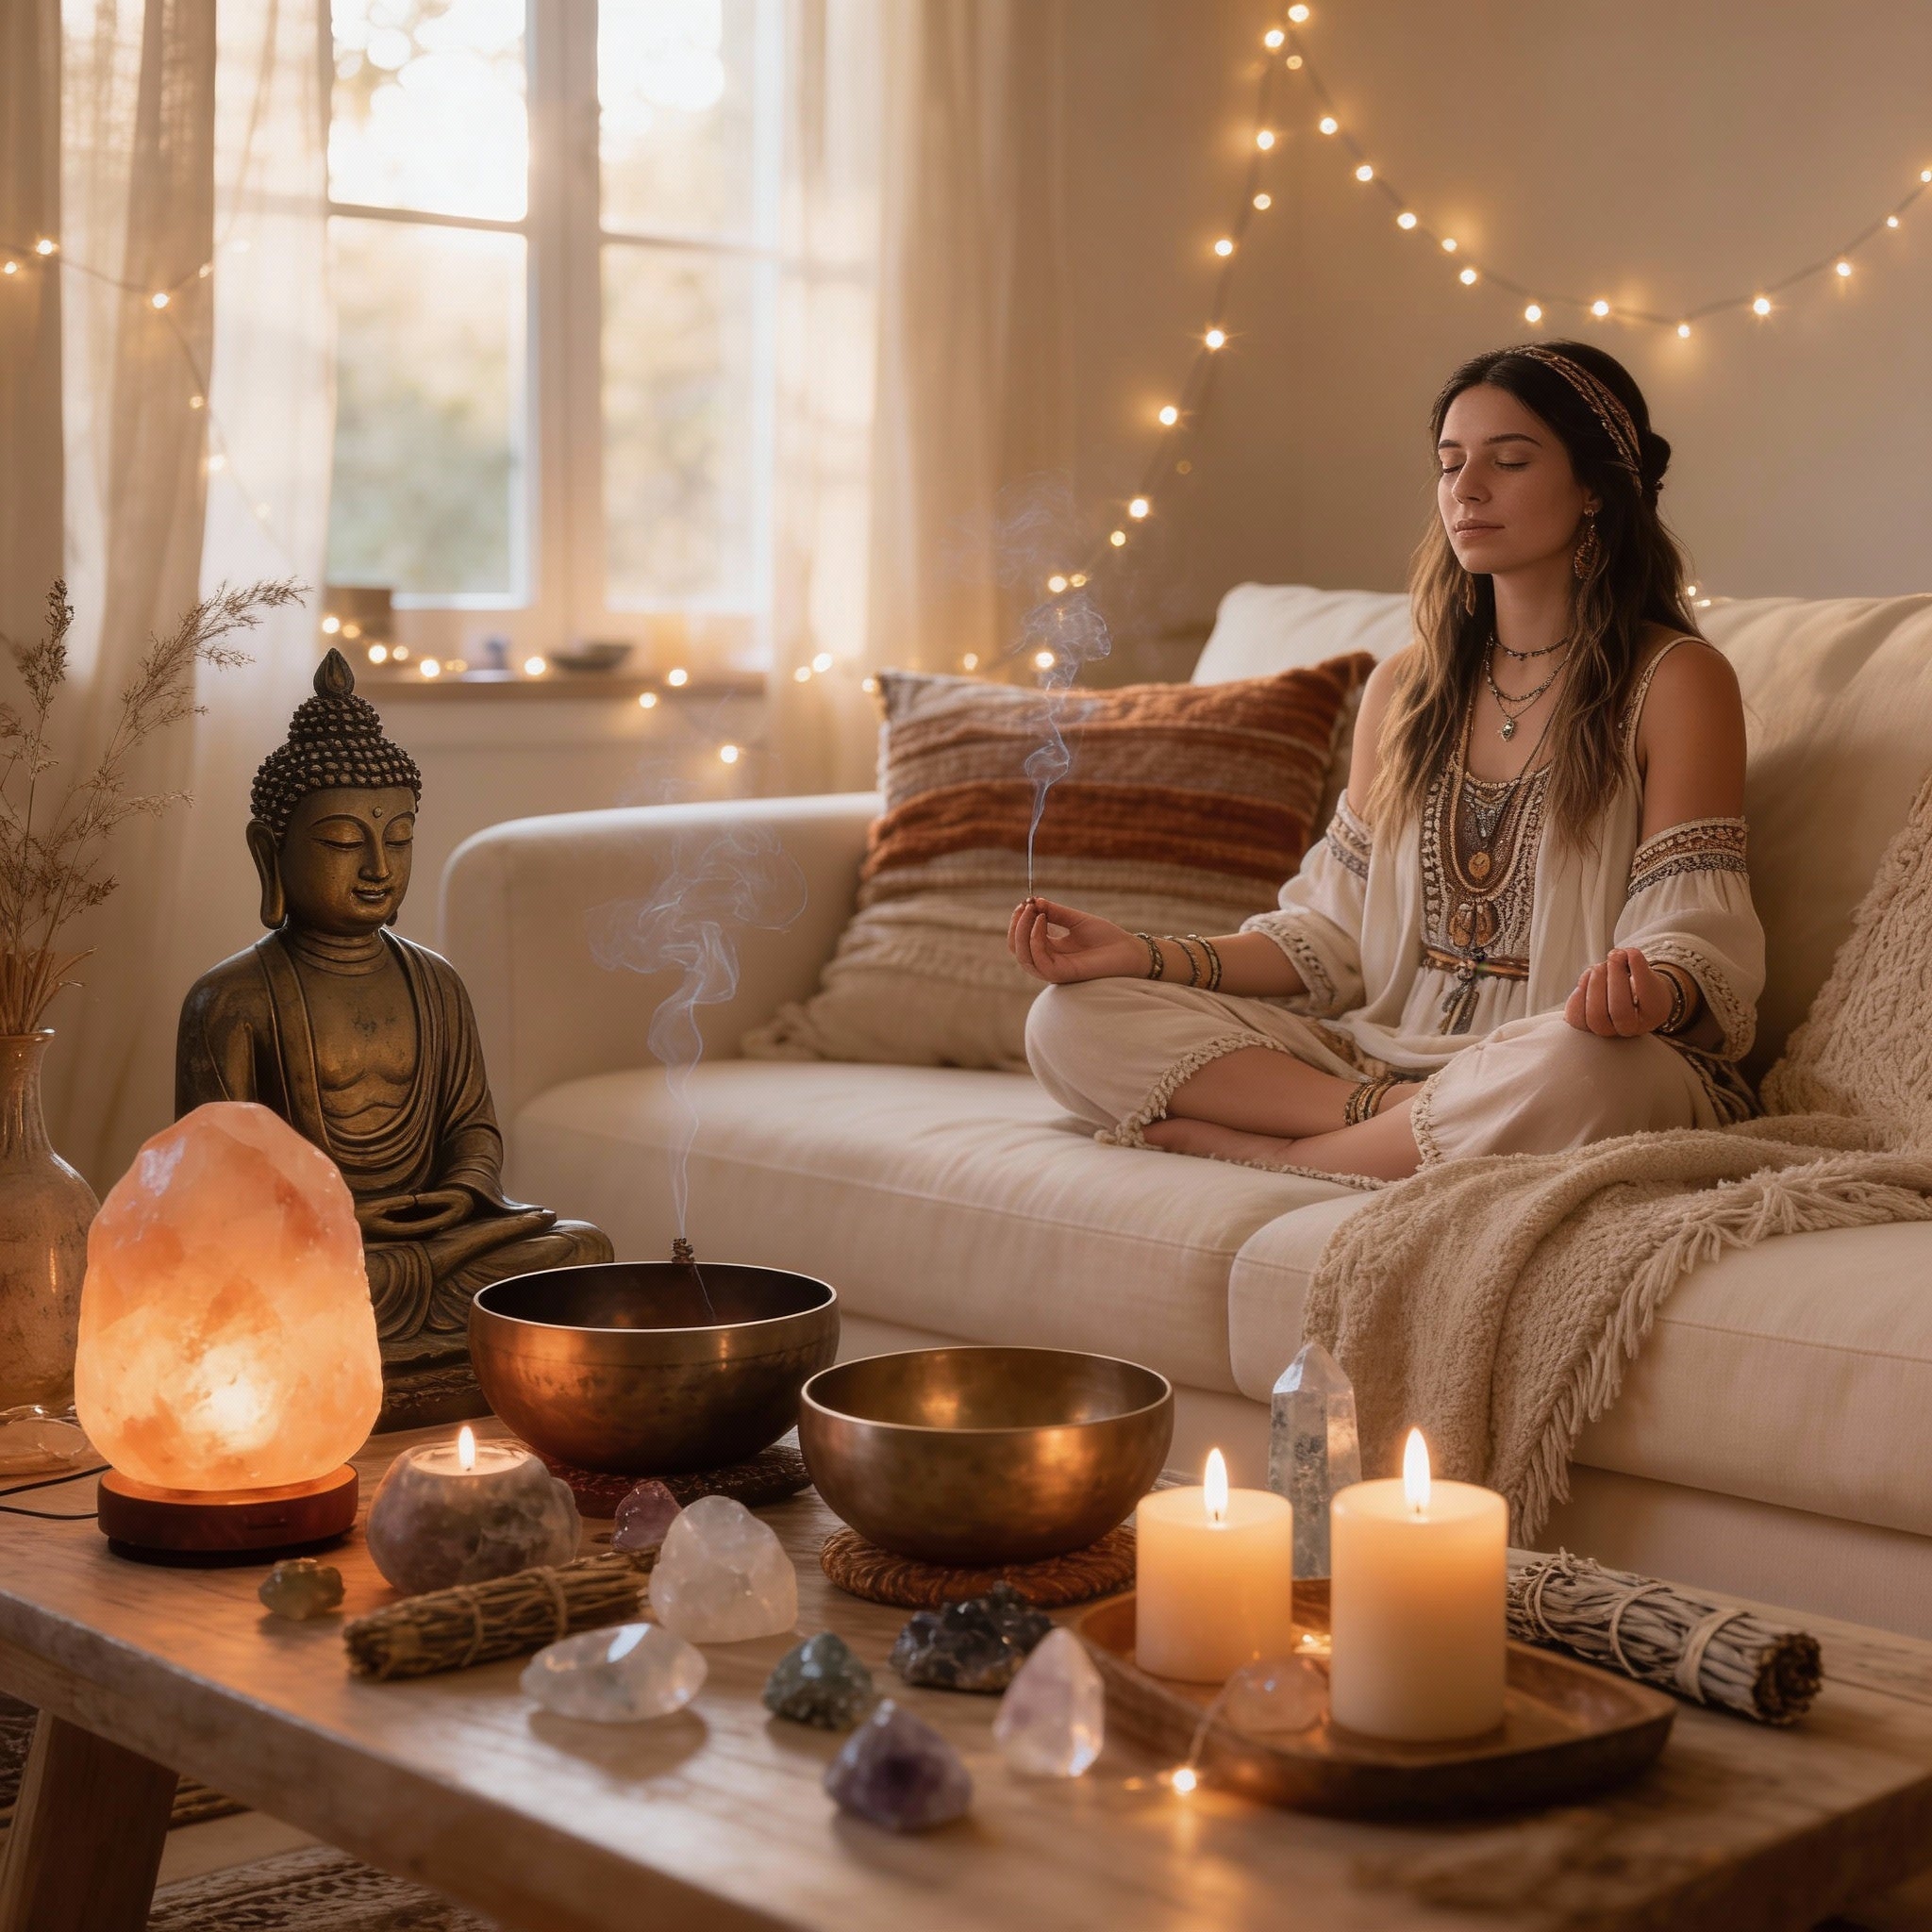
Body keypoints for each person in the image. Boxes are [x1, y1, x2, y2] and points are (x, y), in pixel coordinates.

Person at [1012, 341, 1762, 1183]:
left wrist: (1651, 989)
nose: (1466, 490)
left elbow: (1693, 930)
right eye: (1450, 465)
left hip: (1558, 1058)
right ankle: (1379, 1128)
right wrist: (1141, 954)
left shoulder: (1676, 680)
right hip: (1377, 1064)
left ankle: (1286, 1151)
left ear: (1594, 489)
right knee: (1069, 1020)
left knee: (1595, 1070)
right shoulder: (1401, 687)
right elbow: (1330, 938)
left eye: (1509, 461)